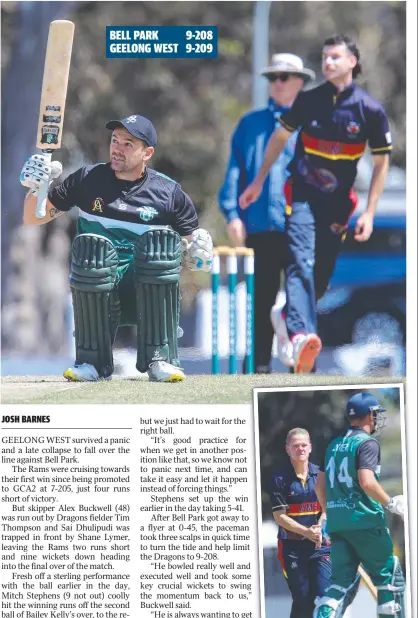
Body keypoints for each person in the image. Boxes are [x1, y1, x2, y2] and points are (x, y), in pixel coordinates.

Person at [239, 35, 393, 374]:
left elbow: (382, 163)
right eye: (324, 57)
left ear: (352, 62)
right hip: (303, 196)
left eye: (335, 57)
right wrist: (259, 181)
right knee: (301, 262)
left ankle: (285, 315)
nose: (328, 63)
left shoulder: (370, 110)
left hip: (338, 205)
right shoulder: (308, 101)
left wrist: (369, 212)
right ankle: (299, 336)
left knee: (319, 278)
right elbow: (280, 139)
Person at [20, 114, 213, 383]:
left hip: (146, 283)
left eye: (127, 144)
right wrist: (36, 188)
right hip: (98, 281)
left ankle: (160, 358)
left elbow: (195, 250)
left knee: (158, 250)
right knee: (94, 250)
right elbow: (33, 217)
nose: (117, 149)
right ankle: (91, 362)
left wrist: (198, 254)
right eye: (114, 140)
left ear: (147, 153)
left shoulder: (169, 192)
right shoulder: (87, 179)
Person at [218, 54, 315, 372]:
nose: (277, 83)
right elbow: (236, 170)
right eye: (273, 78)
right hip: (261, 224)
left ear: (300, 82)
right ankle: (258, 364)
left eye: (284, 78)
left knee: (301, 295)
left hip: (302, 224)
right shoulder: (251, 124)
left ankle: (302, 363)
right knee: (262, 298)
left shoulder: (314, 123)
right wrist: (232, 213)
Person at [312, 392, 406, 618]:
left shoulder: (333, 444)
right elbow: (367, 481)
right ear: (368, 415)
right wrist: (391, 503)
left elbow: (318, 485)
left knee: (338, 584)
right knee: (389, 578)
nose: (377, 419)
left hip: (338, 522)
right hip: (365, 520)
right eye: (375, 414)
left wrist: (330, 512)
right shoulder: (367, 442)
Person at [270, 428, 332, 618]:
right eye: (295, 445)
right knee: (302, 601)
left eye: (304, 445)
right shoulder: (279, 478)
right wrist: (306, 532)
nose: (300, 449)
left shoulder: (321, 475)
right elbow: (280, 517)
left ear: (310, 447)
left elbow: (327, 508)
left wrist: (320, 525)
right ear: (287, 449)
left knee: (324, 597)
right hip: (292, 549)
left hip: (320, 546)